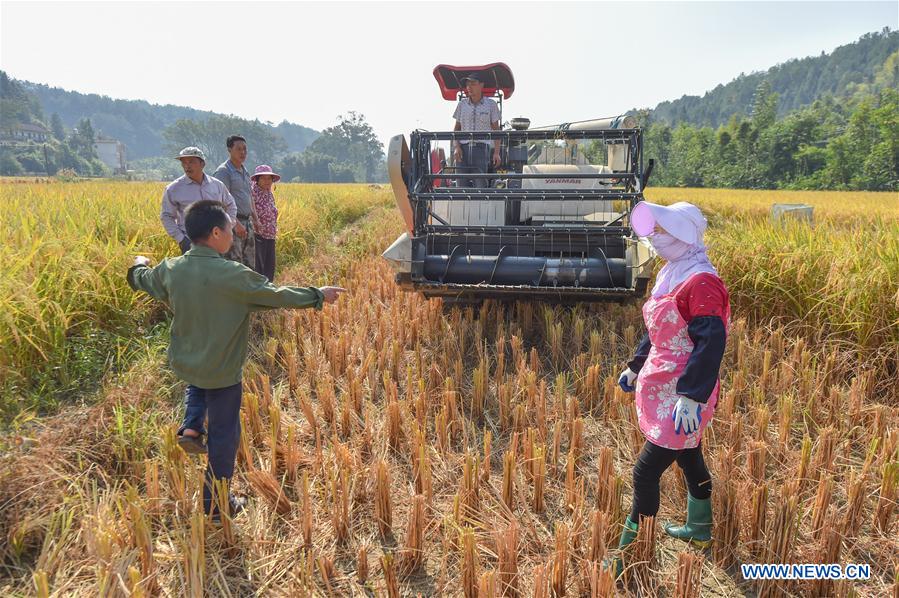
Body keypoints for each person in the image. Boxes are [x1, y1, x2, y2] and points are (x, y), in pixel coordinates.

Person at [128, 200, 346, 519]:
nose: (233, 234)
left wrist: (138, 264)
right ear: (216, 233)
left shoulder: (171, 269)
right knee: (224, 437)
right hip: (222, 373)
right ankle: (215, 506)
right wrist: (317, 294)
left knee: (197, 386)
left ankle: (190, 426)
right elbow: (277, 295)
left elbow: (142, 279)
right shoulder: (234, 275)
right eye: (230, 228)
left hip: (188, 364)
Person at [611, 201, 730, 576]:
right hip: (663, 384)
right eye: (655, 231)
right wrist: (635, 366)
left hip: (682, 394)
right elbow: (660, 330)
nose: (657, 238)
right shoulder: (672, 274)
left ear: (687, 235)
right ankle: (699, 529)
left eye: (664, 231)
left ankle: (632, 553)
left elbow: (711, 341)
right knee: (689, 455)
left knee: (645, 473)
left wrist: (692, 396)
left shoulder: (702, 281)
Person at [161, 147, 237, 254]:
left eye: (191, 162)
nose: (187, 166)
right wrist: (181, 239)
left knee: (218, 270)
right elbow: (167, 216)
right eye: (184, 162)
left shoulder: (217, 185)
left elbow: (231, 205)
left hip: (217, 241)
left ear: (202, 164)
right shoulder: (173, 189)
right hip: (191, 243)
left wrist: (227, 227)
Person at [213, 135, 259, 269]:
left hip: (247, 223)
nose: (243, 152)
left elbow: (248, 196)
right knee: (235, 265)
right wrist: (236, 224)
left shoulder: (245, 171)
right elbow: (220, 201)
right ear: (229, 149)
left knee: (249, 265)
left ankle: (248, 290)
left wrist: (255, 219)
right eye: (238, 149)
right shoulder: (224, 172)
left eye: (245, 149)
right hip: (232, 224)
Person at [452, 73, 501, 188]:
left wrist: (497, 153)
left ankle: (481, 205)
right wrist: (456, 147)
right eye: (467, 84)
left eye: (473, 84)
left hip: (481, 149)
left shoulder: (491, 105)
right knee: (461, 187)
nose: (469, 87)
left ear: (481, 85)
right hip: (462, 151)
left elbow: (496, 130)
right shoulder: (461, 105)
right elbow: (456, 129)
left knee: (480, 186)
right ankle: (461, 205)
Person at [250, 165, 280, 282]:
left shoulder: (269, 194)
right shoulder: (252, 194)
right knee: (259, 270)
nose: (267, 182)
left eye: (269, 179)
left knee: (269, 268)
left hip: (270, 236)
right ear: (257, 180)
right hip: (257, 237)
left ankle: (268, 294)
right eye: (264, 178)